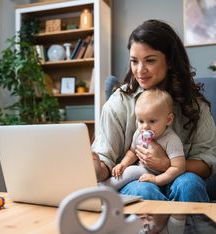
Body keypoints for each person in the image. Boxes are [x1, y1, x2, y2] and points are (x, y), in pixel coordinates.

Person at [92, 19, 216, 233]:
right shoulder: (118, 103)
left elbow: (207, 162)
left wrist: (167, 165)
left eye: (150, 60)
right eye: (134, 61)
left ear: (169, 61)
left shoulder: (194, 105)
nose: (140, 70)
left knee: (189, 184)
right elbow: (106, 162)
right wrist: (94, 166)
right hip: (139, 179)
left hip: (180, 178)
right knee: (143, 189)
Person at [103, 88, 186, 191]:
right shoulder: (139, 133)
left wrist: (156, 179)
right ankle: (102, 188)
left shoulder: (171, 140)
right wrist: (123, 164)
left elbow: (178, 168)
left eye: (152, 121)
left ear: (168, 120)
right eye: (141, 121)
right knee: (128, 170)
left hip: (161, 176)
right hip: (144, 171)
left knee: (132, 171)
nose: (145, 127)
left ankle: (103, 189)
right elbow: (133, 152)